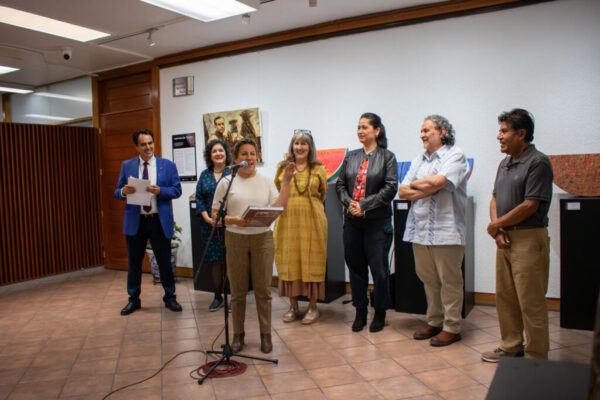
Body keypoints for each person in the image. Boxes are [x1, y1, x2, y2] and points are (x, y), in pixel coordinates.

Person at [482, 108, 553, 362]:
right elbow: (494, 197)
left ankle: (536, 357)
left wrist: (496, 225)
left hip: (528, 238)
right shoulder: (505, 163)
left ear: (522, 134)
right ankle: (511, 345)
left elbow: (530, 204)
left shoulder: (538, 162)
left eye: (504, 131)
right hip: (505, 238)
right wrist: (498, 228)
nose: (498, 136)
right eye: (499, 131)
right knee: (506, 297)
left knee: (530, 301)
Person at [212, 138, 294, 353]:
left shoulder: (266, 182)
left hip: (262, 239)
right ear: (236, 159)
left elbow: (279, 207)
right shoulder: (226, 182)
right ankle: (238, 335)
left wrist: (285, 184)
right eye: (244, 154)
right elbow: (215, 216)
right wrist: (233, 219)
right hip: (235, 238)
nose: (249, 158)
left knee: (263, 290)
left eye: (252, 154)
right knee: (237, 292)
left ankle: (265, 335)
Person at [398, 115, 469, 347]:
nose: (422, 134)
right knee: (428, 279)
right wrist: (429, 186)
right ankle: (435, 321)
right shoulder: (418, 159)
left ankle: (452, 327)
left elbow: (439, 181)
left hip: (446, 230)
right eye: (421, 131)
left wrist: (423, 184)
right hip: (420, 230)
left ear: (443, 131)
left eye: (427, 130)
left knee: (450, 281)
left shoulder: (455, 155)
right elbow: (402, 191)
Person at [335, 112, 398, 333]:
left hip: (377, 223)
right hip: (352, 222)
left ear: (377, 130)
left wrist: (364, 205)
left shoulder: (387, 157)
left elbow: (390, 188)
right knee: (356, 268)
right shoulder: (351, 156)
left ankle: (379, 312)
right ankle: (360, 311)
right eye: (358, 127)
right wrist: (350, 204)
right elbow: (340, 185)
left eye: (365, 127)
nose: (360, 131)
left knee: (379, 271)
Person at [115, 129, 183, 315]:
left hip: (158, 221)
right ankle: (133, 299)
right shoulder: (127, 165)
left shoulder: (167, 165)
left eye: (150, 143)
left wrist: (160, 190)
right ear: (136, 146)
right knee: (134, 263)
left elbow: (177, 190)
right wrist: (123, 192)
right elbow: (117, 191)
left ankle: (170, 297)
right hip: (136, 221)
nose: (148, 147)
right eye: (143, 144)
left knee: (164, 262)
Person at [273, 130, 328, 324]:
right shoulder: (282, 167)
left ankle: (313, 307)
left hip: (312, 221)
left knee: (312, 260)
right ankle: (293, 306)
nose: (300, 147)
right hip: (287, 221)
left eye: (304, 143)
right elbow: (278, 192)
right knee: (289, 260)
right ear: (292, 146)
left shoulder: (318, 168)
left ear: (310, 147)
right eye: (297, 143)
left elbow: (322, 194)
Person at [195, 139, 231, 311]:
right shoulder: (205, 175)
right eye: (214, 151)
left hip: (230, 225)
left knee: (231, 261)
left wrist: (226, 219)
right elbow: (199, 198)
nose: (218, 153)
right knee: (215, 262)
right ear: (210, 155)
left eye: (221, 150)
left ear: (226, 154)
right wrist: (206, 217)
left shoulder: (233, 173)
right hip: (209, 225)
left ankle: (233, 297)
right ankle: (218, 297)